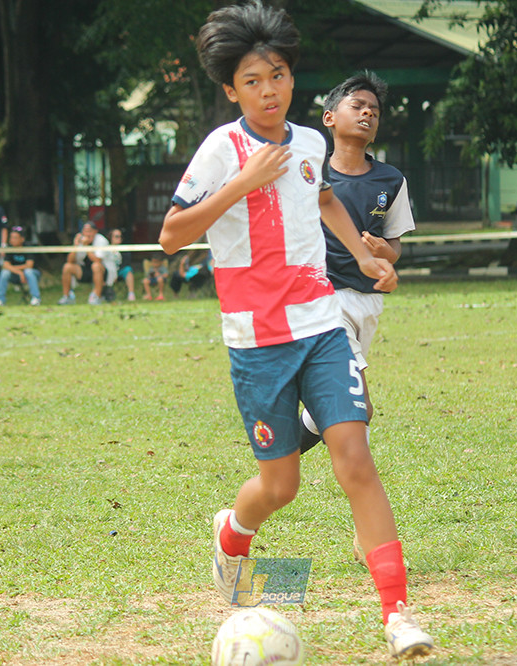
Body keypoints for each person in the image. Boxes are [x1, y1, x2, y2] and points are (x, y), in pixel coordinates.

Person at [158, 2, 433, 659]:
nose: (268, 90)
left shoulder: (310, 144)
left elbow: (324, 196)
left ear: (291, 78)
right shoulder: (221, 150)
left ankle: (397, 616)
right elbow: (171, 236)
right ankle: (233, 533)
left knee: (355, 458)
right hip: (256, 342)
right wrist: (241, 185)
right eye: (252, 81)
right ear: (231, 90)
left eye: (277, 75)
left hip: (321, 327)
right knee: (282, 485)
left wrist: (365, 256)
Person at [298, 71, 414, 461]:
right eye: (357, 106)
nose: (367, 114)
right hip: (322, 301)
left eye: (374, 112)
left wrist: (385, 251)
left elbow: (394, 248)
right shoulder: (309, 175)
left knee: (321, 411)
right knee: (358, 406)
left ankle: (276, 462)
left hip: (366, 302)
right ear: (329, 117)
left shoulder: (391, 180)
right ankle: (364, 494)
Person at [57, 222, 108, 305]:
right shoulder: (79, 239)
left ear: (95, 231)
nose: (87, 234)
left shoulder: (101, 240)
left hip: (101, 271)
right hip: (84, 270)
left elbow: (97, 260)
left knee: (96, 266)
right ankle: (67, 297)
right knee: (67, 267)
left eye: (89, 231)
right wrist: (75, 246)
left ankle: (96, 297)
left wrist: (86, 246)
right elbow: (70, 260)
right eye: (85, 231)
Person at [0, 226, 41, 306]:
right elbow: (5, 265)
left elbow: (29, 265)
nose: (12, 240)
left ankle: (36, 298)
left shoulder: (28, 247)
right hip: (16, 275)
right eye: (11, 237)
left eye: (15, 238)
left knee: (28, 271)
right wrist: (19, 272)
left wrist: (16, 269)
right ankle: (0, 299)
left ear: (22, 239)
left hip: (32, 274)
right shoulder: (9, 249)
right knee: (4, 272)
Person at [103, 228, 136, 301]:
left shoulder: (124, 249)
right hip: (107, 271)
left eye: (120, 236)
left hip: (119, 270)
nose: (119, 238)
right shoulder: (105, 248)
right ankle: (102, 295)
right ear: (111, 237)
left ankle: (131, 294)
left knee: (128, 270)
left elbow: (126, 263)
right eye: (116, 236)